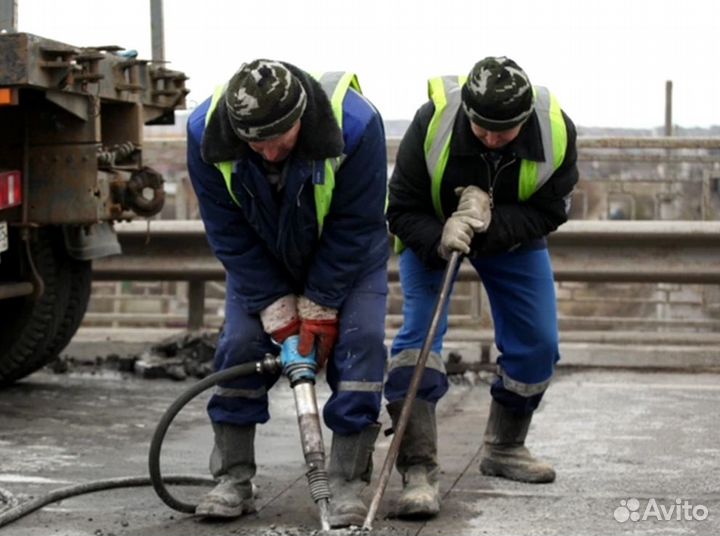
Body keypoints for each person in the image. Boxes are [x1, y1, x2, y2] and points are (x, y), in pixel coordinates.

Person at [186, 59, 389, 528]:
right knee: (238, 347)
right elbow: (228, 231)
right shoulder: (205, 133)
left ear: (301, 117)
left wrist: (319, 307)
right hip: (262, 257)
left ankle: (346, 481)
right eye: (257, 143)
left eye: (280, 139)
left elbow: (356, 225)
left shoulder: (357, 124)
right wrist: (276, 309)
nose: (270, 153)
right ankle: (233, 477)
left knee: (359, 347)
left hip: (347, 259)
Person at [385, 56, 579, 518]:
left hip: (512, 234)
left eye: (504, 131)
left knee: (538, 344)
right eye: (482, 128)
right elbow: (400, 207)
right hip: (430, 233)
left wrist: (489, 226)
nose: (492, 139)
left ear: (525, 117)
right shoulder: (431, 124)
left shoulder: (555, 132)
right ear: (468, 112)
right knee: (420, 339)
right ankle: (418, 470)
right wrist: (441, 237)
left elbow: (553, 209)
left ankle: (504, 448)